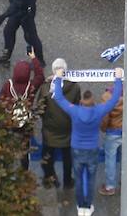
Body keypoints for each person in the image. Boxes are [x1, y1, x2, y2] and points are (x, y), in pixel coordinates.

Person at [51, 64, 123, 212]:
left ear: (81, 102)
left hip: (77, 148)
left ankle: (80, 206)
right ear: (93, 102)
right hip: (92, 149)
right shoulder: (98, 110)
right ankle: (88, 205)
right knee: (90, 179)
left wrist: (58, 77)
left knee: (78, 179)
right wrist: (118, 79)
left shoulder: (75, 111)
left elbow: (58, 97)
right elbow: (114, 98)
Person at [41, 58, 78, 190]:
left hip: (50, 129)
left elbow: (40, 107)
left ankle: (49, 178)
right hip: (67, 129)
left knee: (47, 156)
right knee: (67, 157)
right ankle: (67, 181)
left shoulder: (46, 88)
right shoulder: (74, 87)